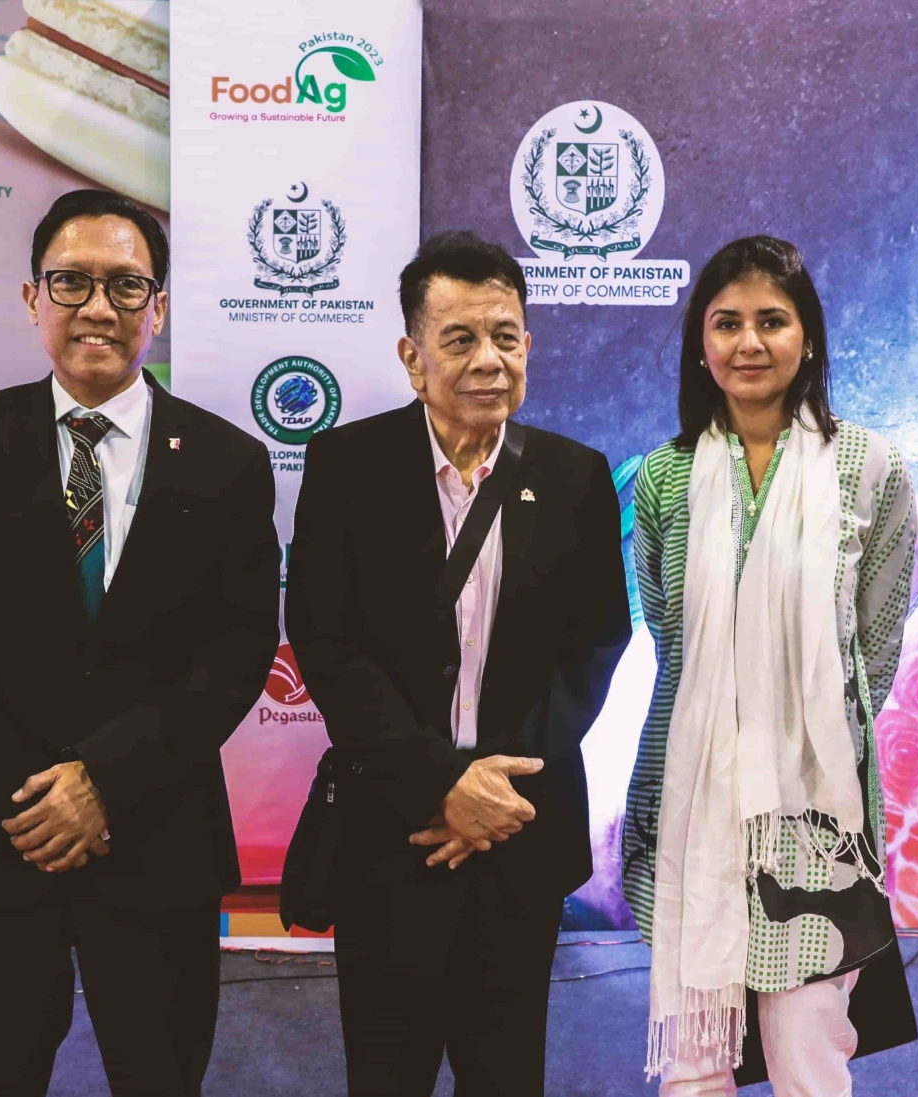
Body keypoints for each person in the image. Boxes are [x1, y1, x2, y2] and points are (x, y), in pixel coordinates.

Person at [0, 188, 280, 1097]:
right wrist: (33, 796)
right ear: (33, 299)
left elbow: (234, 652)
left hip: (157, 836)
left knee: (160, 1075)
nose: (97, 307)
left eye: (125, 285)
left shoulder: (227, 460)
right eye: (71, 282)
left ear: (160, 307)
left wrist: (105, 780)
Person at [285, 231, 631, 1095]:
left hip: (520, 829)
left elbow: (596, 642)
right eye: (461, 338)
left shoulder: (576, 475)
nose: (489, 360)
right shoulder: (347, 466)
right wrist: (440, 782)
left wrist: (495, 789)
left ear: (528, 345)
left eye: (506, 336)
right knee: (386, 1072)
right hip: (393, 830)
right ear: (413, 357)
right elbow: (326, 640)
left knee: (506, 1073)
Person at [621, 236, 918, 1095]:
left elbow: (876, 642)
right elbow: (668, 633)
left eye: (772, 321)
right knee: (694, 1055)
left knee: (809, 1052)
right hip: (692, 795)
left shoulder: (868, 465)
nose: (748, 342)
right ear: (701, 344)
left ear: (808, 338)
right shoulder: (666, 475)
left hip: (814, 812)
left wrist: (798, 734)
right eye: (727, 323)